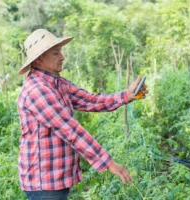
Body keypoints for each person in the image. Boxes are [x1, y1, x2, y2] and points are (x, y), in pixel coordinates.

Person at [17, 29, 148, 200]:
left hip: (54, 178)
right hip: (44, 182)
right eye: (56, 53)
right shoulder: (38, 90)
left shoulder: (56, 83)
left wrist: (127, 95)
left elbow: (90, 101)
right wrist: (108, 163)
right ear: (40, 58)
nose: (62, 57)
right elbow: (71, 130)